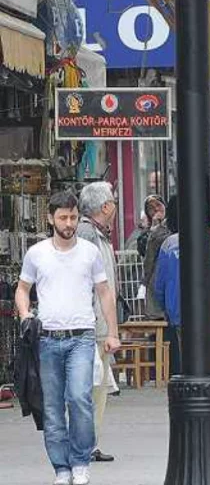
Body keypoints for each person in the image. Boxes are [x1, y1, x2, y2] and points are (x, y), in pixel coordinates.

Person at [16, 191, 121, 485]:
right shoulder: (37, 254)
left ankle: (80, 460)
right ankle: (61, 468)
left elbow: (104, 292)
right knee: (51, 406)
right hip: (47, 338)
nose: (68, 223)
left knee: (79, 398)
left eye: (73, 217)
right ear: (50, 218)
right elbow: (23, 288)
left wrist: (112, 333)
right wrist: (25, 314)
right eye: (63, 217)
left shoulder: (90, 252)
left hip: (81, 337)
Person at [152, 199, 210, 432]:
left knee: (188, 365)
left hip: (181, 316)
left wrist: (168, 309)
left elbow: (160, 284)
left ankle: (190, 411)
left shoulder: (168, 245)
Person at [74, 182, 118, 465]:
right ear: (105, 207)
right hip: (91, 326)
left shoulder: (98, 235)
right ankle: (84, 443)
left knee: (97, 387)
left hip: (100, 325)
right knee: (90, 388)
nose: (114, 205)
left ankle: (89, 441)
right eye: (112, 201)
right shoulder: (88, 236)